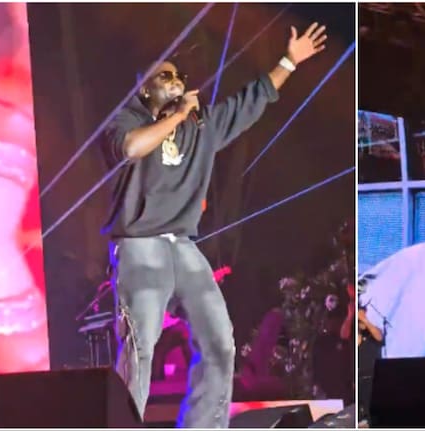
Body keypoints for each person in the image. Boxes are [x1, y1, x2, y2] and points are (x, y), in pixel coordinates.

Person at [101, 23, 327, 427]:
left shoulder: (201, 128)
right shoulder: (125, 121)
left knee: (220, 343)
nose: (176, 81)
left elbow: (252, 100)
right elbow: (133, 148)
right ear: (144, 90)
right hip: (139, 244)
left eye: (178, 76)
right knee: (141, 347)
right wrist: (179, 114)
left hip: (184, 245)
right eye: (164, 76)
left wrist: (289, 61)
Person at [357, 303, 384, 425]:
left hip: (372, 377)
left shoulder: (372, 332)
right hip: (358, 378)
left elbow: (379, 337)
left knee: (372, 412)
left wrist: (365, 321)